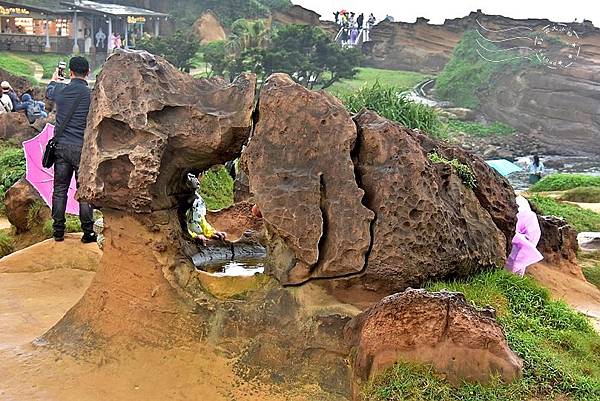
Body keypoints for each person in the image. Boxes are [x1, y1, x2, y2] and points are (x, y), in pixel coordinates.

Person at [46, 56, 96, 243]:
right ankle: (88, 232)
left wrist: (54, 79)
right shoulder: (92, 95)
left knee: (60, 189)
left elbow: (49, 91)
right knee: (84, 190)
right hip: (82, 150)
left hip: (61, 148)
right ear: (88, 72)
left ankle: (58, 231)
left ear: (70, 72)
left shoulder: (60, 90)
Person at [505, 196, 543, 276]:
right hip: (524, 229)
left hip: (517, 227)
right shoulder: (531, 219)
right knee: (520, 256)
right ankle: (514, 275)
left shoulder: (527, 215)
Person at [186, 173, 226, 245]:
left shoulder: (198, 200)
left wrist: (210, 232)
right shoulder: (176, 202)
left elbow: (200, 219)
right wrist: (193, 236)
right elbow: (178, 225)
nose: (197, 181)